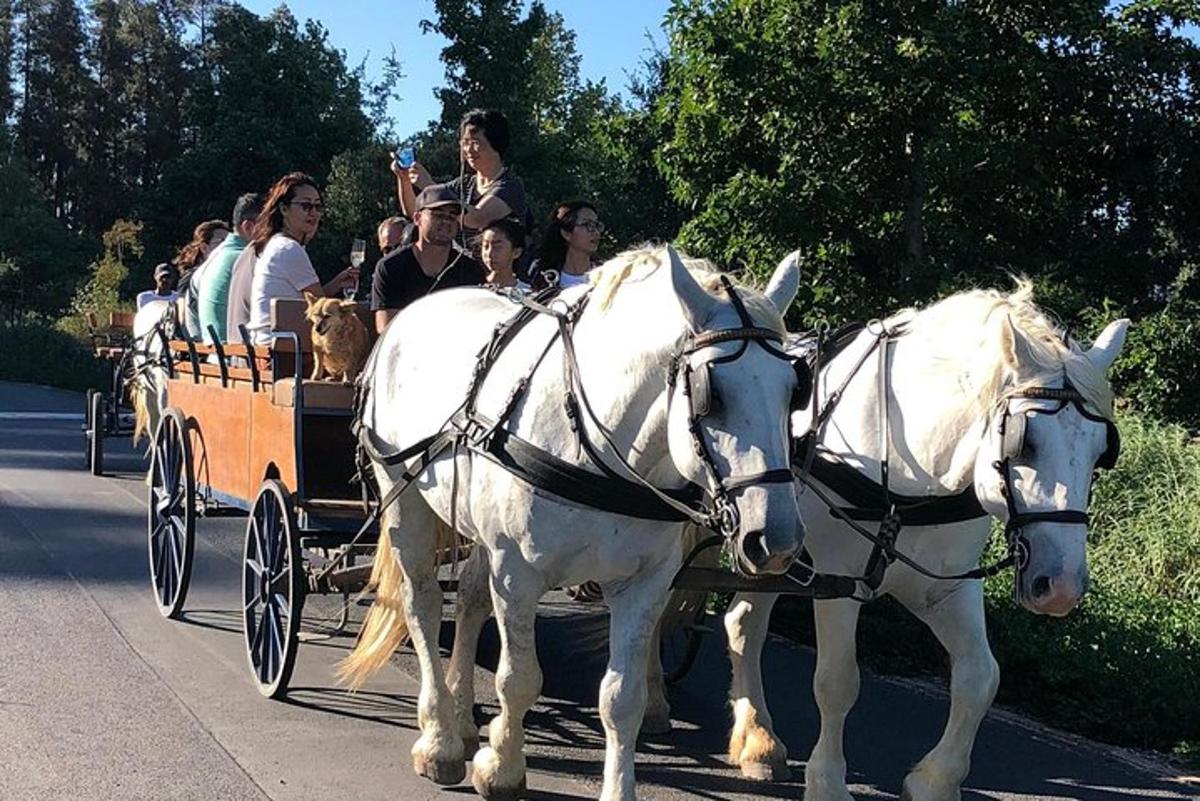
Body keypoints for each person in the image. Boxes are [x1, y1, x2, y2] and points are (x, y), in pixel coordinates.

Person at [393, 109, 534, 257]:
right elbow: (415, 213)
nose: (468, 150)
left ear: (496, 144)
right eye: (464, 143)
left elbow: (478, 218)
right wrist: (404, 180)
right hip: (463, 274)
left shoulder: (510, 186)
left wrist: (430, 187)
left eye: (475, 143)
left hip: (501, 277)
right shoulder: (463, 184)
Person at [245, 172, 359, 346]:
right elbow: (324, 309)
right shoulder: (289, 248)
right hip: (286, 352)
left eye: (318, 207)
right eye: (306, 206)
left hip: (271, 346)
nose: (313, 213)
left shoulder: (276, 244)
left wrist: (336, 284)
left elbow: (315, 304)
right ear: (284, 209)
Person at [370, 184, 486, 334]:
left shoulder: (471, 270)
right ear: (417, 218)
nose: (446, 221)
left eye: (452, 216)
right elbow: (386, 328)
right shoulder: (391, 267)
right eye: (438, 215)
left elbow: (477, 324)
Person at [196, 193, 262, 344]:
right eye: (270, 224)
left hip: (214, 357)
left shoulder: (215, 256)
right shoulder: (247, 259)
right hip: (237, 359)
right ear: (248, 227)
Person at [529, 201, 604, 291]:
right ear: (566, 233)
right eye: (588, 225)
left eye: (596, 225)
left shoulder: (606, 275)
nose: (595, 232)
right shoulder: (542, 273)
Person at [176, 219, 231, 339]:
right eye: (221, 241)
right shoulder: (190, 277)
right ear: (204, 248)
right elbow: (182, 317)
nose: (227, 246)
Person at [478, 217, 526, 290]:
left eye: (497, 247)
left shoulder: (527, 294)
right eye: (486, 246)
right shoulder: (473, 288)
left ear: (516, 253)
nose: (490, 253)